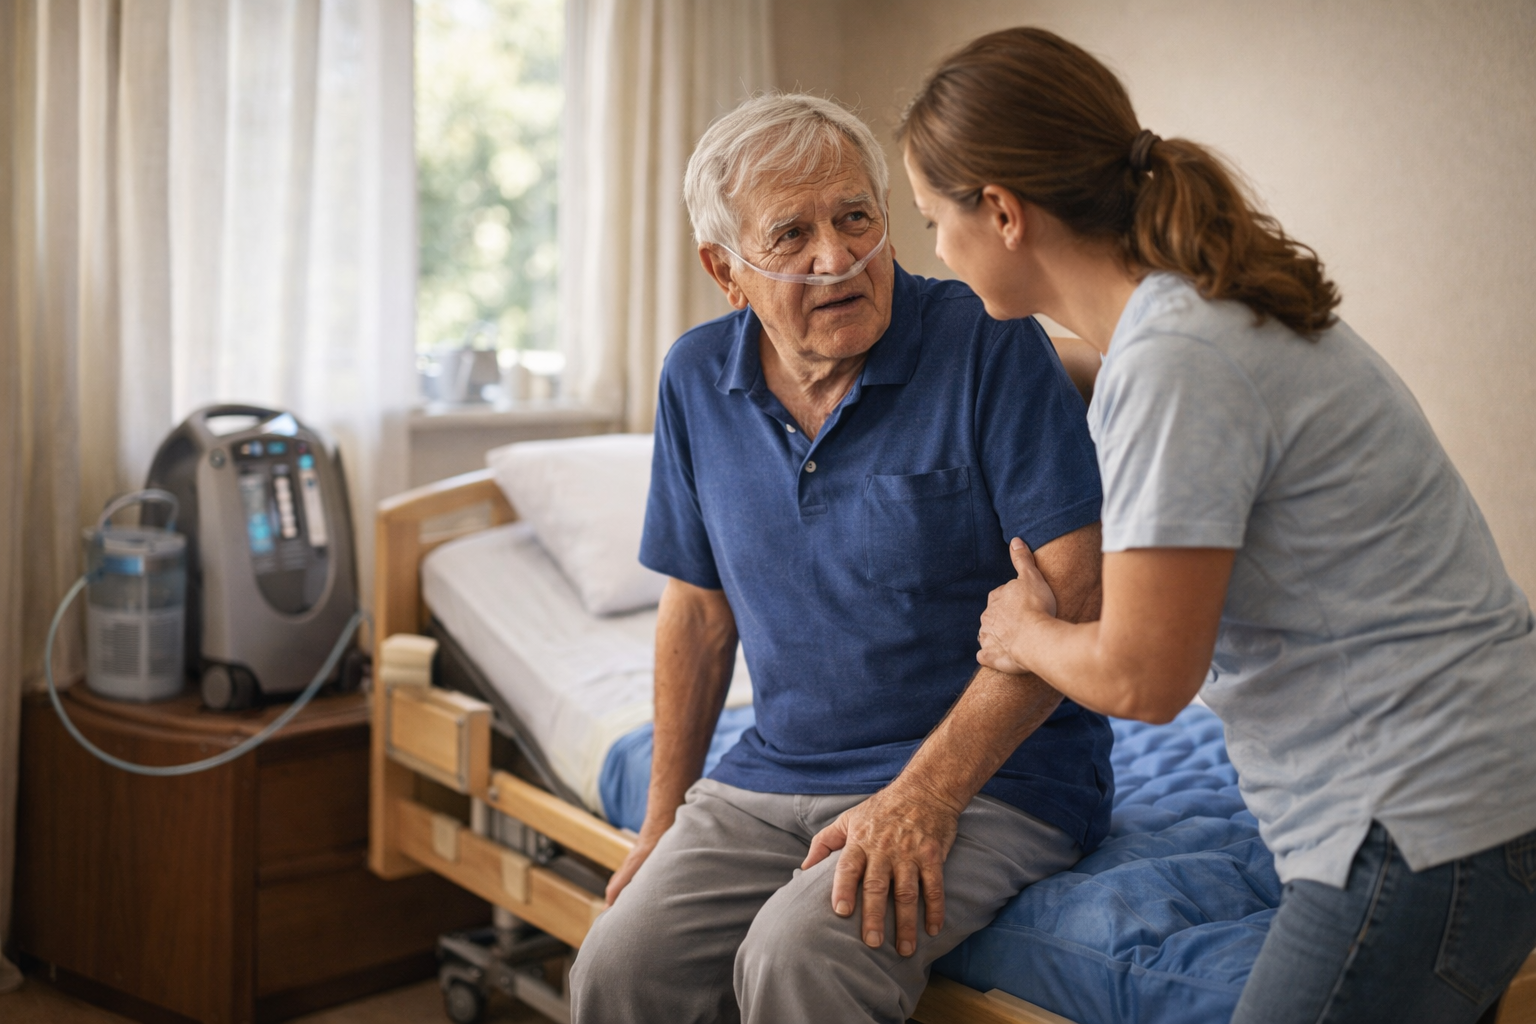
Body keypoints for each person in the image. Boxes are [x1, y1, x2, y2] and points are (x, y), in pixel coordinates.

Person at [898, 26, 1536, 1024]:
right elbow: (1164, 407)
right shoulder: (1197, 313)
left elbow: (1146, 680)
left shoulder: (1175, 364)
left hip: (1419, 814)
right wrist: (1016, 373)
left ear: (1004, 213)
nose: (932, 247)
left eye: (935, 217)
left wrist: (1024, 633)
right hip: (1478, 777)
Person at [567, 93, 1112, 1024]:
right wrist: (660, 821)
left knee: (798, 954)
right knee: (616, 970)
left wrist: (923, 798)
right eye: (791, 235)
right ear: (724, 271)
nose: (839, 257)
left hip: (995, 779)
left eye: (856, 217)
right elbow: (698, 615)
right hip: (771, 775)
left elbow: (1074, 590)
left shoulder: (988, 341)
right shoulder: (695, 377)